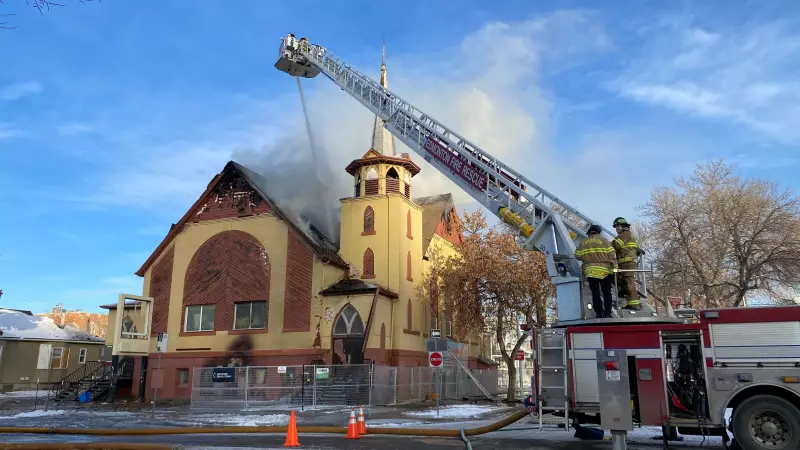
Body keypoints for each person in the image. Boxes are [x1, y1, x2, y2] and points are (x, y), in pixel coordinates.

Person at [575, 224, 616, 319]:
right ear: (599, 232)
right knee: (606, 292)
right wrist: (615, 268)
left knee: (595, 292)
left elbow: (577, 255)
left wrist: (587, 258)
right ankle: (607, 313)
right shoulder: (605, 241)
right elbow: (612, 255)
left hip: (590, 270)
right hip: (604, 270)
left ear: (589, 233)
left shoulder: (583, 242)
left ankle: (598, 312)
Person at [611, 217, 641, 310]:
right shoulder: (629, 235)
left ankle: (634, 304)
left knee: (628, 281)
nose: (616, 229)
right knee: (622, 279)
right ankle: (625, 295)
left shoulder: (623, 235)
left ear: (623, 226)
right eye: (616, 227)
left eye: (618, 226)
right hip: (627, 262)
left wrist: (606, 245)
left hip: (626, 262)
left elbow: (616, 245)